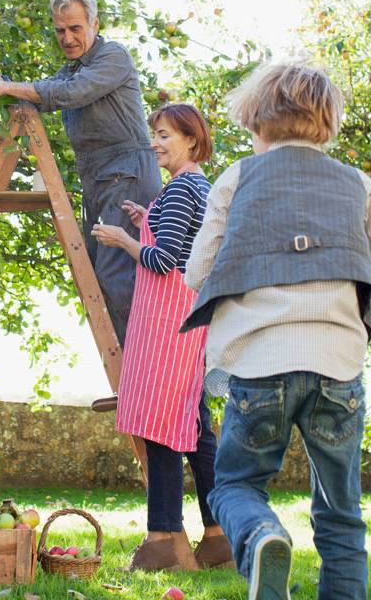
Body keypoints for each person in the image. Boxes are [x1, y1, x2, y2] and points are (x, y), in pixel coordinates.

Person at [182, 63, 370, 600]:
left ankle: (262, 535)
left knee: (236, 486)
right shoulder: (358, 184)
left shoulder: (238, 177)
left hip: (260, 363)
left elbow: (198, 273)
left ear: (257, 119)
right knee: (342, 514)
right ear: (327, 121)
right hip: (337, 364)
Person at [0, 0, 161, 354]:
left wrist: (8, 88)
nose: (67, 37)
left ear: (94, 23)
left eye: (75, 28)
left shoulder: (113, 57)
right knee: (98, 275)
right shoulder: (67, 71)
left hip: (127, 174)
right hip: (99, 181)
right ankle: (134, 365)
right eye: (59, 30)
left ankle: (149, 362)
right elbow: (23, 93)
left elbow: (68, 94)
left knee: (118, 275)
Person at [91, 103, 231, 571]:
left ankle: (164, 542)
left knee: (160, 428)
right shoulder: (200, 188)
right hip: (190, 325)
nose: (156, 142)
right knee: (192, 430)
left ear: (192, 140)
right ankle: (218, 537)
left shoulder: (181, 191)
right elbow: (182, 246)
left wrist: (122, 240)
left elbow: (162, 261)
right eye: (155, 133)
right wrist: (143, 221)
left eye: (165, 134)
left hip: (165, 331)